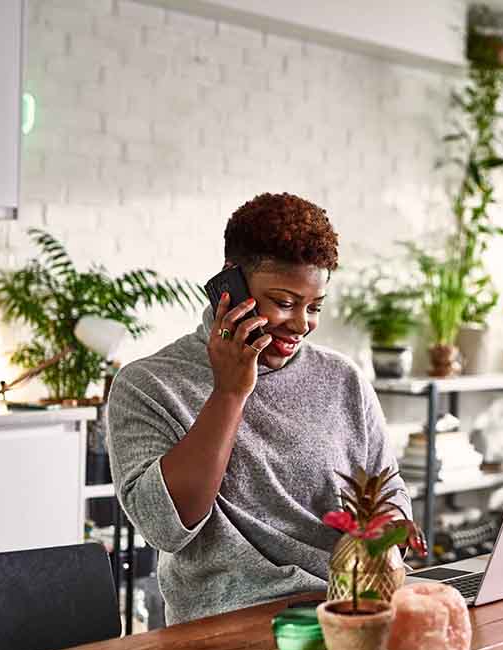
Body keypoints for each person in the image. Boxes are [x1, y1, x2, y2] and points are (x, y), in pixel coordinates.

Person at [106, 192, 410, 625]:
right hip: (228, 625)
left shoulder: (342, 379)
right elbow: (165, 528)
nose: (302, 324)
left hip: (352, 607)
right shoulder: (149, 385)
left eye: (314, 307)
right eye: (284, 303)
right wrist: (230, 392)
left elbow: (389, 488)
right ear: (231, 288)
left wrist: (383, 544)